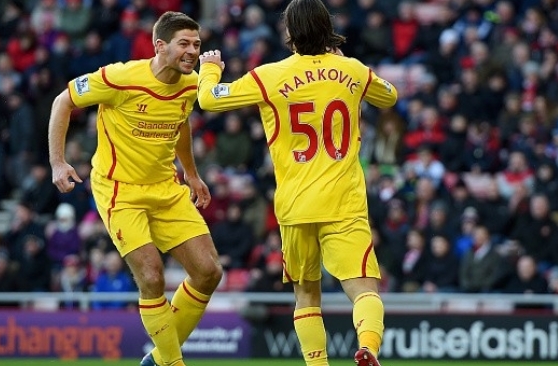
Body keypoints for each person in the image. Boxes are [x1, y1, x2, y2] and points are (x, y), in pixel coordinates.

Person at [197, 0, 398, 365]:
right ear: (326, 27)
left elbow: (209, 99)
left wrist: (209, 68)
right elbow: (389, 95)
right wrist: (344, 63)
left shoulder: (269, 75)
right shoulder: (351, 70)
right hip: (344, 202)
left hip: (295, 204)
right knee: (363, 288)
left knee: (306, 296)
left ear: (289, 33)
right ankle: (368, 346)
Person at [47, 11, 223, 366]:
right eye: (184, 44)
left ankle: (158, 359)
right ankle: (173, 363)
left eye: (197, 44)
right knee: (152, 277)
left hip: (165, 187)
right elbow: (63, 101)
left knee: (209, 272)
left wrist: (191, 173)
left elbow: (182, 122)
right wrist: (58, 162)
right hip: (119, 190)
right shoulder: (120, 77)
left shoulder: (191, 85)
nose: (193, 51)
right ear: (160, 46)